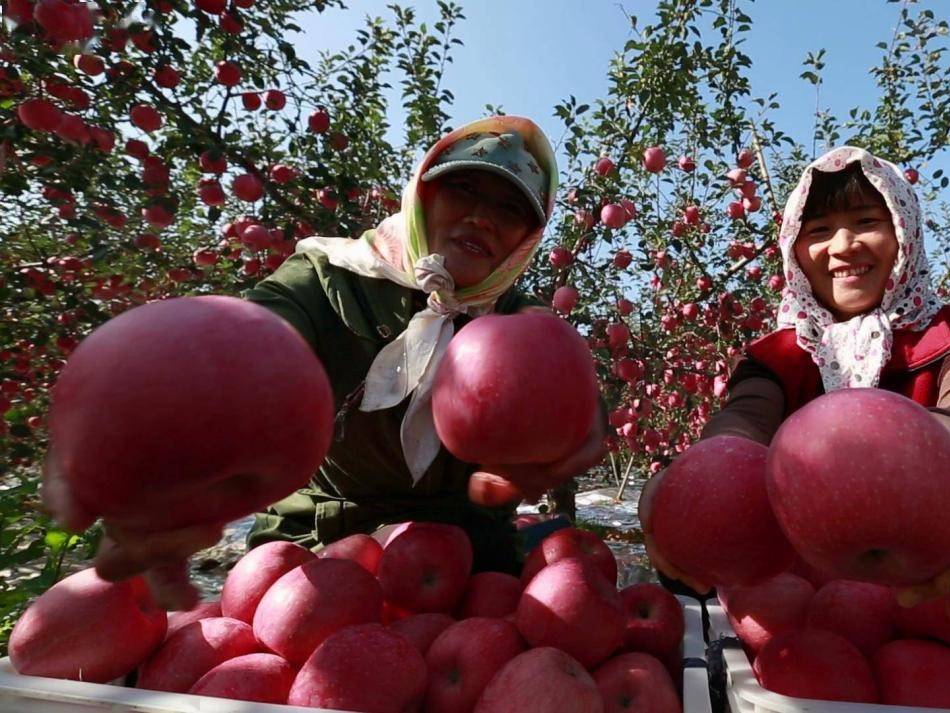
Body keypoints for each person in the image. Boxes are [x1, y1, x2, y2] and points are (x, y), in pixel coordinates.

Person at [44, 116, 607, 609]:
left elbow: (574, 399)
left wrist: (576, 425)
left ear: (526, 239)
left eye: (511, 210)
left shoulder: (520, 322)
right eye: (463, 189)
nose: (484, 218)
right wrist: (146, 426)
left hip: (468, 563)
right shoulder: (328, 275)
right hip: (315, 552)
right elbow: (248, 344)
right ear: (421, 195)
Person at [640, 146, 950, 622]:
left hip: (939, 602)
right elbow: (742, 423)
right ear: (793, 251)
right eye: (820, 231)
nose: (843, 246)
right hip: (801, 614)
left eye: (867, 221)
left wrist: (949, 434)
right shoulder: (777, 358)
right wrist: (697, 478)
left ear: (904, 231)